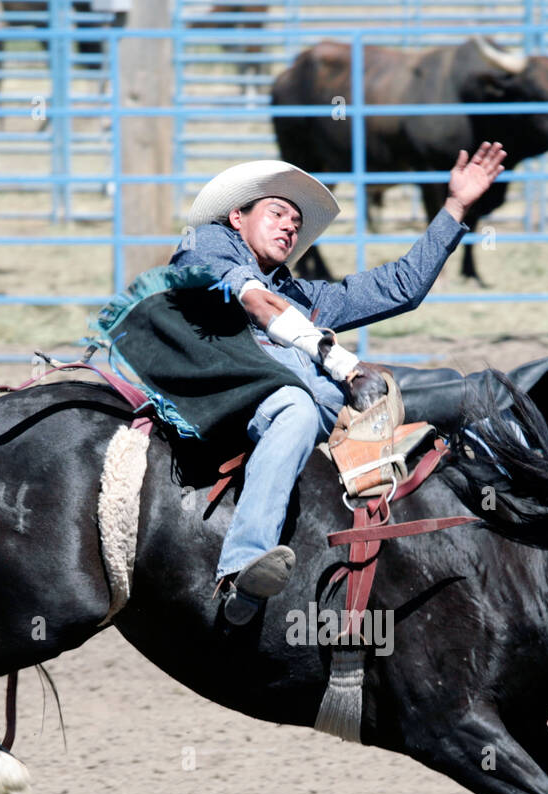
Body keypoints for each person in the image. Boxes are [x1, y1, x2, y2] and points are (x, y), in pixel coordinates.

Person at [170, 142, 507, 624]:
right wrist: (339, 359)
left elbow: (400, 288)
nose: (290, 224)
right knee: (296, 408)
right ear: (236, 217)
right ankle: (242, 566)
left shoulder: (297, 293)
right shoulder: (206, 246)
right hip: (215, 391)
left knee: (423, 398)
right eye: (277, 212)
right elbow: (253, 301)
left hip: (291, 388)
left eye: (296, 222)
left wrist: (455, 207)